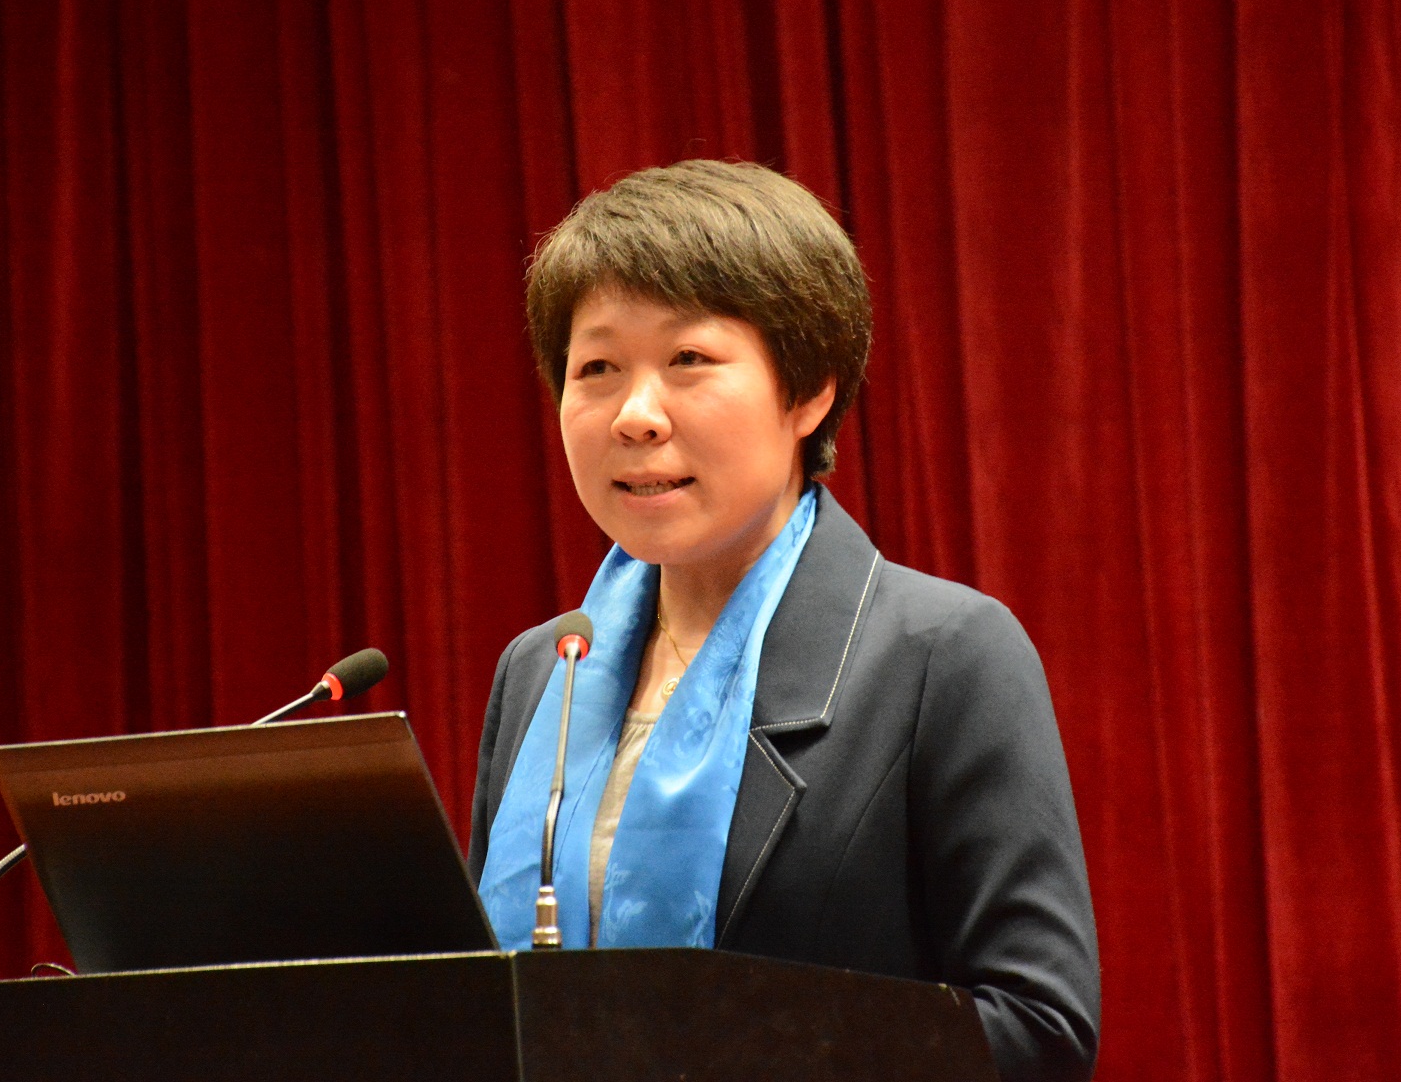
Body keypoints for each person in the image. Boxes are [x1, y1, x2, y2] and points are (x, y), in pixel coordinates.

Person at [468, 160, 1099, 1082]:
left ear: (809, 392)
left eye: (688, 361)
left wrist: (712, 1049)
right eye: (596, 367)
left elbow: (1039, 1028)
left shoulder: (941, 654)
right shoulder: (545, 669)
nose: (635, 416)